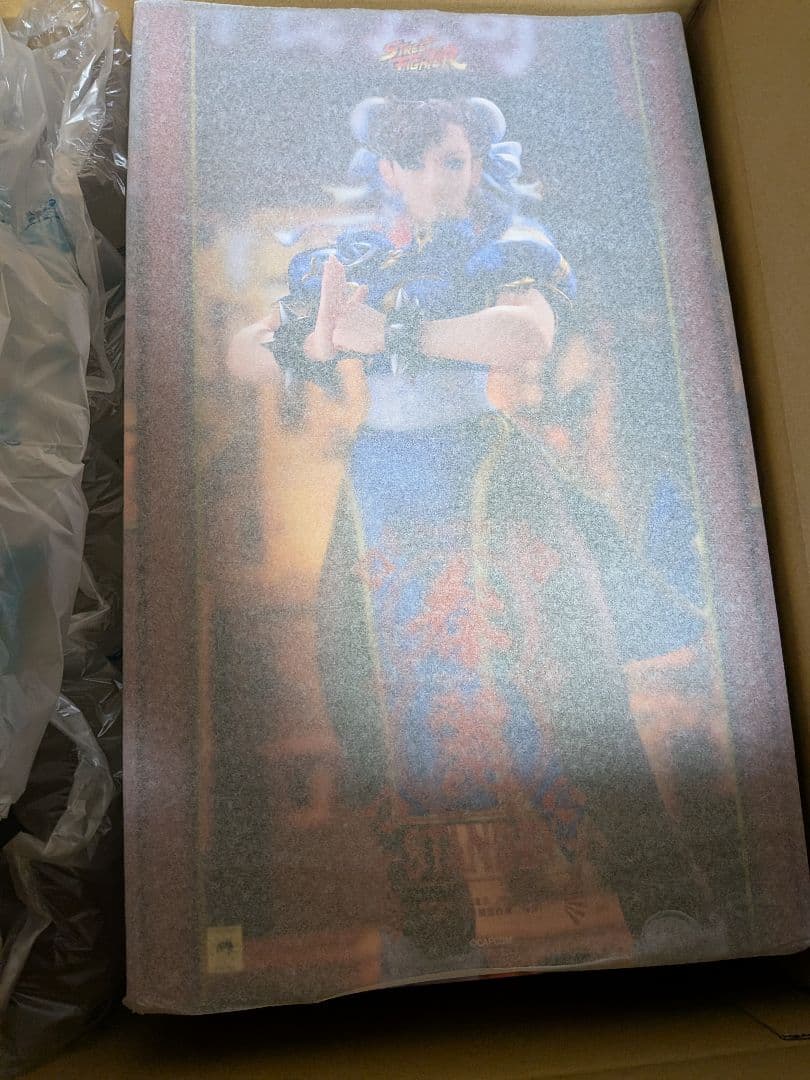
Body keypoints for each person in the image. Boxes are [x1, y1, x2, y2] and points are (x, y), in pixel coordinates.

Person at [227, 96, 726, 968]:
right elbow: (243, 352)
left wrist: (393, 329)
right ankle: (434, 932)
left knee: (572, 675)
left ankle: (665, 906)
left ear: (476, 167)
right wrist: (312, 342)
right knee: (364, 692)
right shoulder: (347, 255)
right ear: (386, 170)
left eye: (452, 161)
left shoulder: (504, 245)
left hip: (489, 471)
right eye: (416, 161)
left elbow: (526, 335)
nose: (435, 179)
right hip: (382, 486)